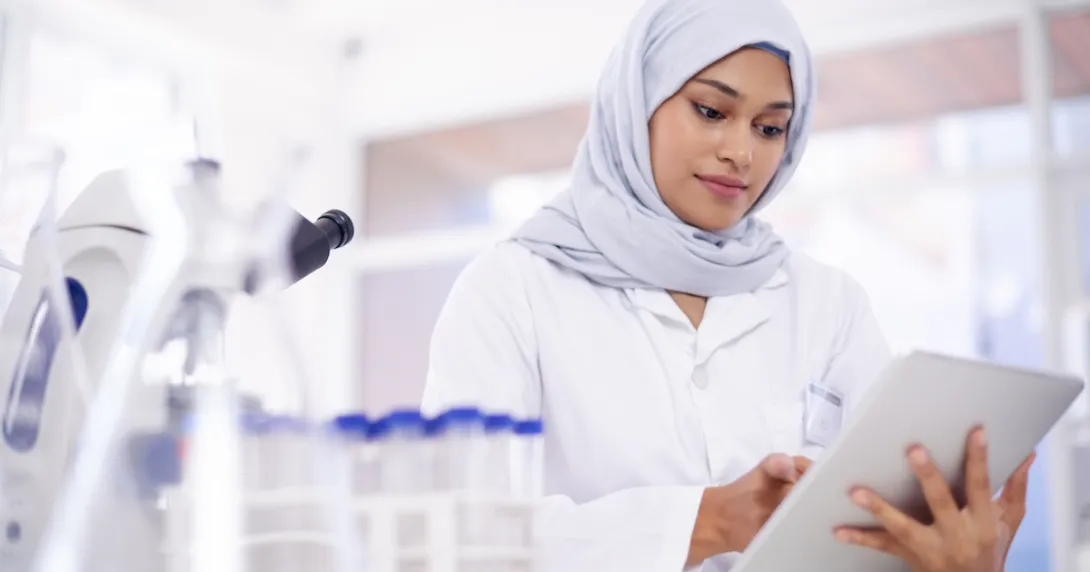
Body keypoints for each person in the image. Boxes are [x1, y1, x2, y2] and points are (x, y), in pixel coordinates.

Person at [421, 0, 1035, 570]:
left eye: (770, 128)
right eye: (712, 111)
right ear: (638, 104)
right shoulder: (512, 289)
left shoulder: (827, 302)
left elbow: (871, 532)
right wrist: (704, 522)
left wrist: (953, 560)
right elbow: (459, 536)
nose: (741, 152)